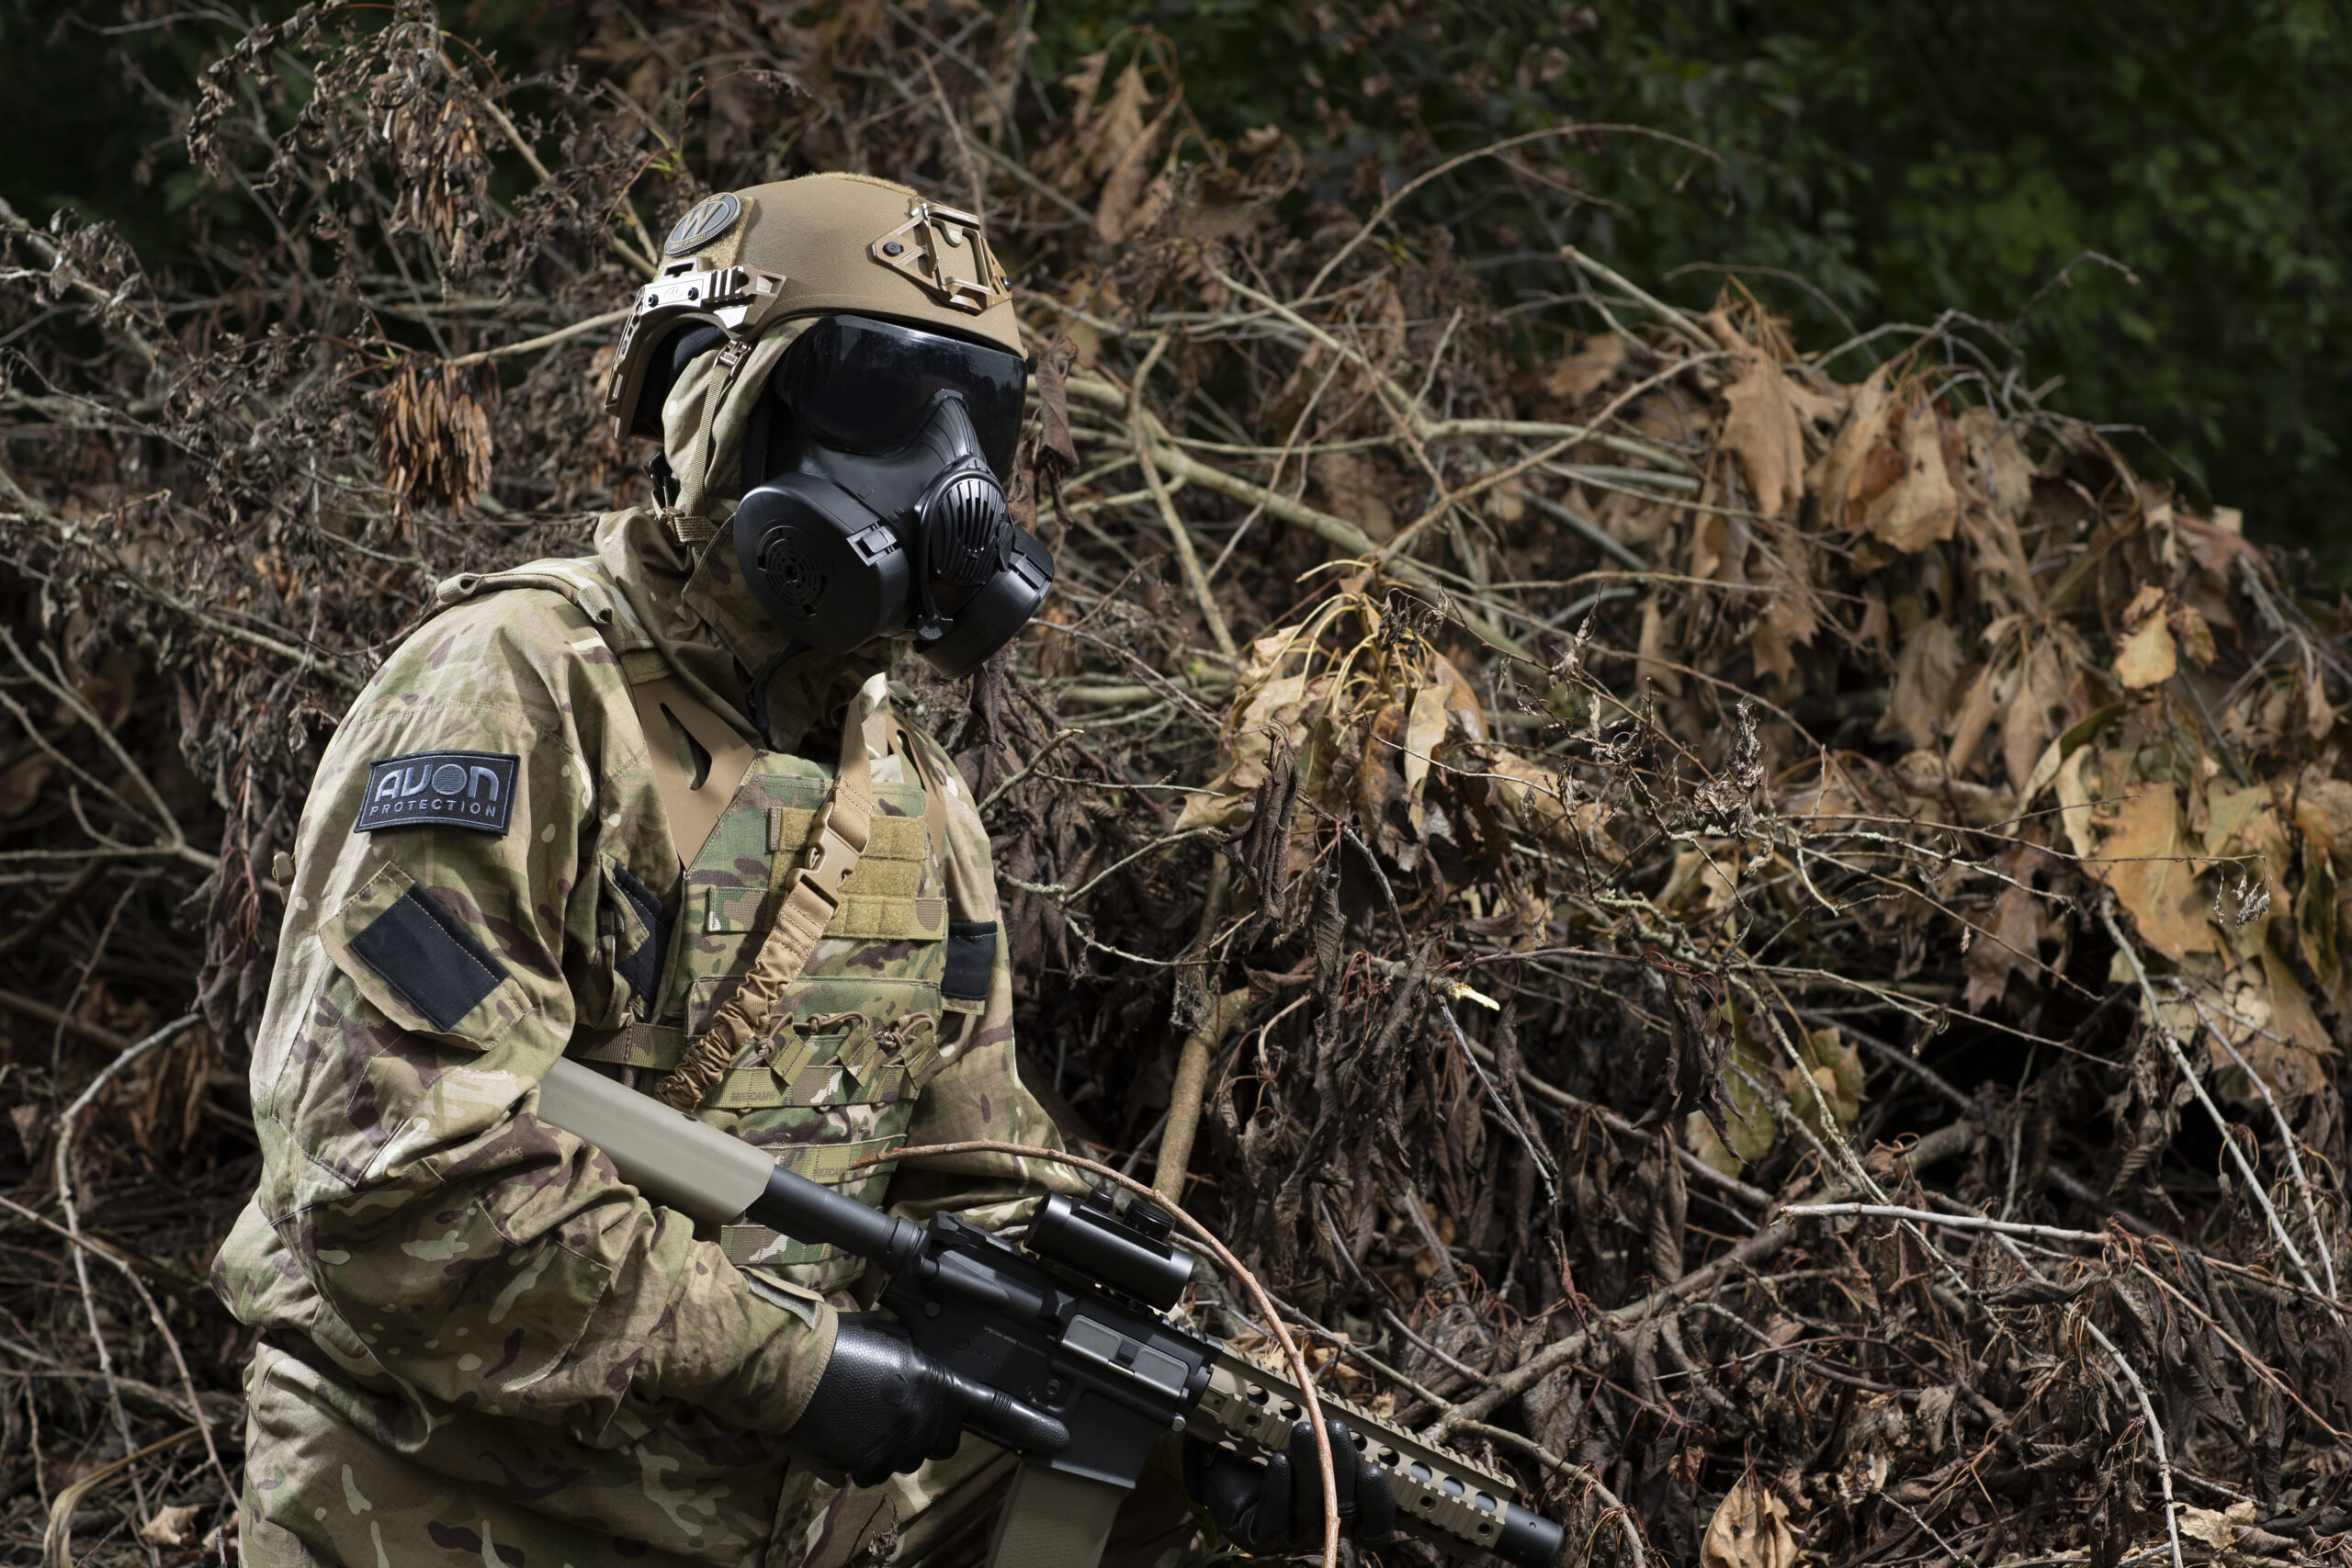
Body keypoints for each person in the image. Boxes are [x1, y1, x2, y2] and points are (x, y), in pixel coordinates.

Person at [211, 172, 1390, 1567]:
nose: (948, 472)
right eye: (881, 396)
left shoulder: (904, 785)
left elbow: (971, 1175)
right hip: (469, 1495)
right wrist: (796, 1364)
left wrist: (1208, 1406)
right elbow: (389, 1169)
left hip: (771, 1513)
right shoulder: (517, 694)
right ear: (716, 404)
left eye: (980, 415)